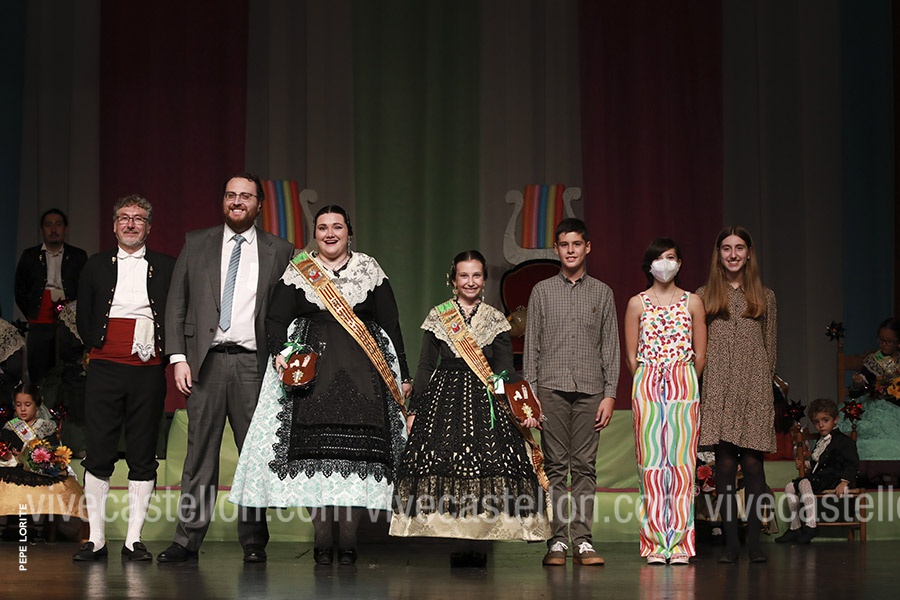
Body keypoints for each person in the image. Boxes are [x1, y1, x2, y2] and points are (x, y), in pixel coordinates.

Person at [229, 204, 411, 567]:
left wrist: (403, 374)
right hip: (310, 375)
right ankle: (323, 537)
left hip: (364, 375)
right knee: (316, 454)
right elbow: (275, 318)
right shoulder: (300, 269)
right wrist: (280, 352)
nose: (330, 234)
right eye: (323, 227)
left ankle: (349, 539)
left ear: (349, 233)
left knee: (358, 457)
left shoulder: (368, 268)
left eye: (337, 227)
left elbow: (391, 322)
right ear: (315, 234)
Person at [157, 173, 294, 564]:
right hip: (206, 364)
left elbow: (288, 309)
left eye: (245, 196)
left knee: (253, 457)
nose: (237, 201)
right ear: (223, 201)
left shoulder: (280, 250)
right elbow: (177, 303)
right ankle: (187, 540)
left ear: (259, 204)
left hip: (255, 366)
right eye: (231, 195)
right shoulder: (196, 242)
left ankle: (253, 541)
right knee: (199, 456)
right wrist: (178, 358)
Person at [390, 250, 550, 566]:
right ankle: (459, 540)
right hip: (445, 398)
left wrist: (523, 406)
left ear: (484, 279)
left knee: (483, 465)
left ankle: (479, 544)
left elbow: (506, 369)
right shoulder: (439, 316)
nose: (470, 281)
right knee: (451, 465)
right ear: (453, 280)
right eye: (464, 275)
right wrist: (415, 409)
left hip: (485, 400)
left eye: (476, 275)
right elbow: (425, 366)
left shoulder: (495, 319)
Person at [73, 196, 175, 561]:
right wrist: (98, 344)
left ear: (149, 227)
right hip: (105, 366)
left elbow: (176, 314)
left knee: (143, 452)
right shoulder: (95, 264)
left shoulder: (167, 265)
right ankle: (96, 539)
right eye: (124, 218)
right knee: (98, 450)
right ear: (114, 225)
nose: (131, 224)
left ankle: (134, 540)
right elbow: (84, 314)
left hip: (148, 371)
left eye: (139, 219)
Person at [524, 218, 619, 567]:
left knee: (584, 467)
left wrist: (610, 394)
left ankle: (582, 541)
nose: (570, 250)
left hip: (591, 390)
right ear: (556, 249)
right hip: (550, 389)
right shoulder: (542, 291)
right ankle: (557, 541)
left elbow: (610, 347)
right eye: (564, 245)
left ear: (587, 247)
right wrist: (531, 396)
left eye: (576, 244)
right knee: (554, 466)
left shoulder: (602, 293)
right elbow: (531, 347)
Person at [623, 238, 706, 565]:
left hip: (683, 380)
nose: (664, 263)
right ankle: (656, 544)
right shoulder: (637, 303)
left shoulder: (693, 302)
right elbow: (631, 356)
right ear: (649, 265)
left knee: (682, 465)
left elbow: (701, 353)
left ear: (680, 263)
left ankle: (681, 545)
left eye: (670, 257)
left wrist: (683, 380)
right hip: (647, 381)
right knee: (651, 465)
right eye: (658, 258)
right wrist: (648, 380)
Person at [697, 226, 777, 564]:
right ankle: (731, 543)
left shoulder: (765, 295)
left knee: (754, 465)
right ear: (719, 254)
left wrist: (764, 385)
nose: (733, 254)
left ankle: (754, 542)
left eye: (739, 248)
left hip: (754, 386)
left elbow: (770, 345)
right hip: (719, 384)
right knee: (726, 465)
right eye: (727, 248)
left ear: (748, 254)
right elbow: (697, 344)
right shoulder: (703, 295)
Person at [0, 382, 86, 541]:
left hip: (39, 470)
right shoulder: (10, 427)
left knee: (42, 489)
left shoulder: (46, 428)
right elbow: (3, 447)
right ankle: (2, 528)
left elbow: (54, 451)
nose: (23, 409)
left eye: (27, 405)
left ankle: (39, 530)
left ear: (38, 405)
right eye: (18, 405)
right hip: (13, 468)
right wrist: (8, 455)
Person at [14, 208, 88, 384]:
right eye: (48, 225)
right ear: (42, 230)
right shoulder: (30, 256)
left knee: (69, 370)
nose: (53, 229)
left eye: (58, 224)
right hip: (39, 319)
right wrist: (31, 314)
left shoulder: (78, 256)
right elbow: (20, 289)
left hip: (69, 321)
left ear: (66, 229)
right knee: (38, 372)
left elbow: (86, 289)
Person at [775, 398, 859, 545]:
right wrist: (805, 464)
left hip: (833, 478)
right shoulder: (820, 441)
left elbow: (853, 463)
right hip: (820, 478)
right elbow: (818, 463)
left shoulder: (843, 441)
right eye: (816, 422)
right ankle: (795, 527)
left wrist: (844, 482)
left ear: (835, 420)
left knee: (804, 483)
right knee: (789, 487)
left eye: (825, 420)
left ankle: (811, 525)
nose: (821, 425)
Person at [841, 318, 900, 465]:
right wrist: (858, 383)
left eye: (889, 341)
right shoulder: (873, 360)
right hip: (872, 405)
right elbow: (856, 393)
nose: (884, 344)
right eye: (881, 340)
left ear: (898, 342)